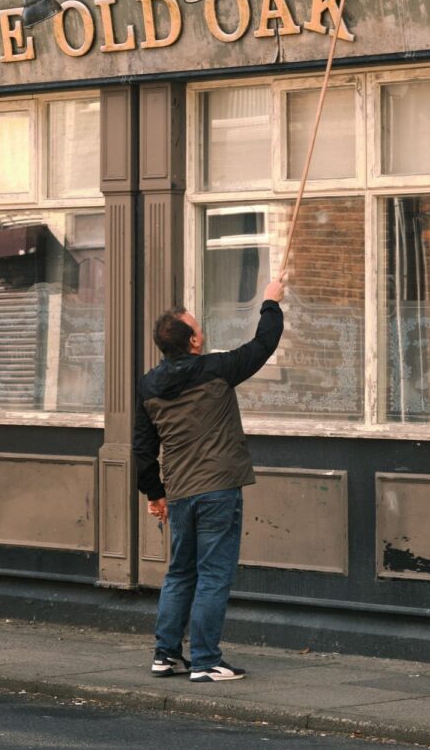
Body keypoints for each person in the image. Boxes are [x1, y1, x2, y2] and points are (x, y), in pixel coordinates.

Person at [134, 274, 286, 683]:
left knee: (181, 573)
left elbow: (143, 448)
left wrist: (155, 493)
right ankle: (205, 661)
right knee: (214, 574)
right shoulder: (216, 370)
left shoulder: (148, 386)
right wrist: (271, 300)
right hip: (218, 488)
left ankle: (165, 655)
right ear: (194, 342)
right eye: (198, 327)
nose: (202, 331)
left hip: (181, 491)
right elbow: (263, 345)